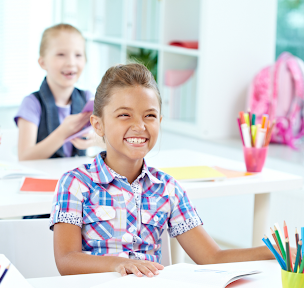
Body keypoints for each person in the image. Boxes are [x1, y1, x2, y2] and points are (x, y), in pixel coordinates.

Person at [50, 63, 277, 277]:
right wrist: (118, 264)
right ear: (98, 124)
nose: (140, 126)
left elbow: (211, 257)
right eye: (124, 115)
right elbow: (67, 261)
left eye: (149, 115)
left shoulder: (167, 188)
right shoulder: (75, 183)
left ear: (160, 120)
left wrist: (273, 251)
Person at [15, 24, 102, 161]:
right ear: (42, 62)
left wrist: (95, 140)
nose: (71, 62)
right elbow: (25, 157)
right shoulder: (32, 103)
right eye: (61, 54)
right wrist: (62, 133)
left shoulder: (88, 98)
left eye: (78, 55)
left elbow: (110, 140)